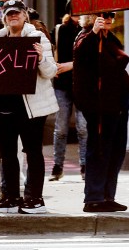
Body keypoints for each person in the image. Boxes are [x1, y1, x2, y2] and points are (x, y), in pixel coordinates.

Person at [0, 0, 58, 214]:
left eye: (17, 12)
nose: (13, 16)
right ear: (3, 18)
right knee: (6, 153)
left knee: (33, 151)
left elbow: (50, 72)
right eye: (9, 13)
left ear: (25, 14)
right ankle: (10, 198)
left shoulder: (37, 38)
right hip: (1, 105)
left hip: (30, 107)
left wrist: (41, 58)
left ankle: (34, 198)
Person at [72, 10, 129, 213]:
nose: (107, 18)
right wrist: (93, 32)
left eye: (111, 15)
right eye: (103, 14)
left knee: (115, 150)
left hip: (117, 103)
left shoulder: (110, 38)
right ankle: (94, 196)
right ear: (91, 16)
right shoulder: (86, 37)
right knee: (99, 149)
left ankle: (107, 195)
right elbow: (81, 57)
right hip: (100, 104)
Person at [51, 11, 88, 181]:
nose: (77, 17)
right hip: (62, 85)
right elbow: (49, 50)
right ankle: (57, 167)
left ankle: (84, 166)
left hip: (81, 85)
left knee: (83, 128)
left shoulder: (87, 31)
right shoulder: (60, 30)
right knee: (60, 129)